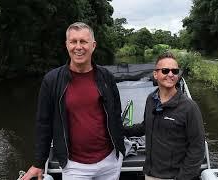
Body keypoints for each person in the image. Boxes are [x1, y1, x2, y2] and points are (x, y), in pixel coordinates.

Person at [21, 22, 125, 180]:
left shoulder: (106, 77)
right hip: (74, 166)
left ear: (93, 45)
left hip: (109, 161)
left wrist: (121, 147)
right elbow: (44, 123)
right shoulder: (52, 80)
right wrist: (39, 162)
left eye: (83, 41)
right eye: (73, 41)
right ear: (66, 44)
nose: (78, 47)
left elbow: (116, 114)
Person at [124, 52, 205, 180]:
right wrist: (120, 129)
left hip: (173, 177)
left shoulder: (189, 107)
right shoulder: (151, 99)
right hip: (150, 174)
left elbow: (197, 149)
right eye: (165, 70)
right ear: (155, 74)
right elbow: (146, 126)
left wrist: (182, 178)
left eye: (175, 71)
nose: (171, 74)